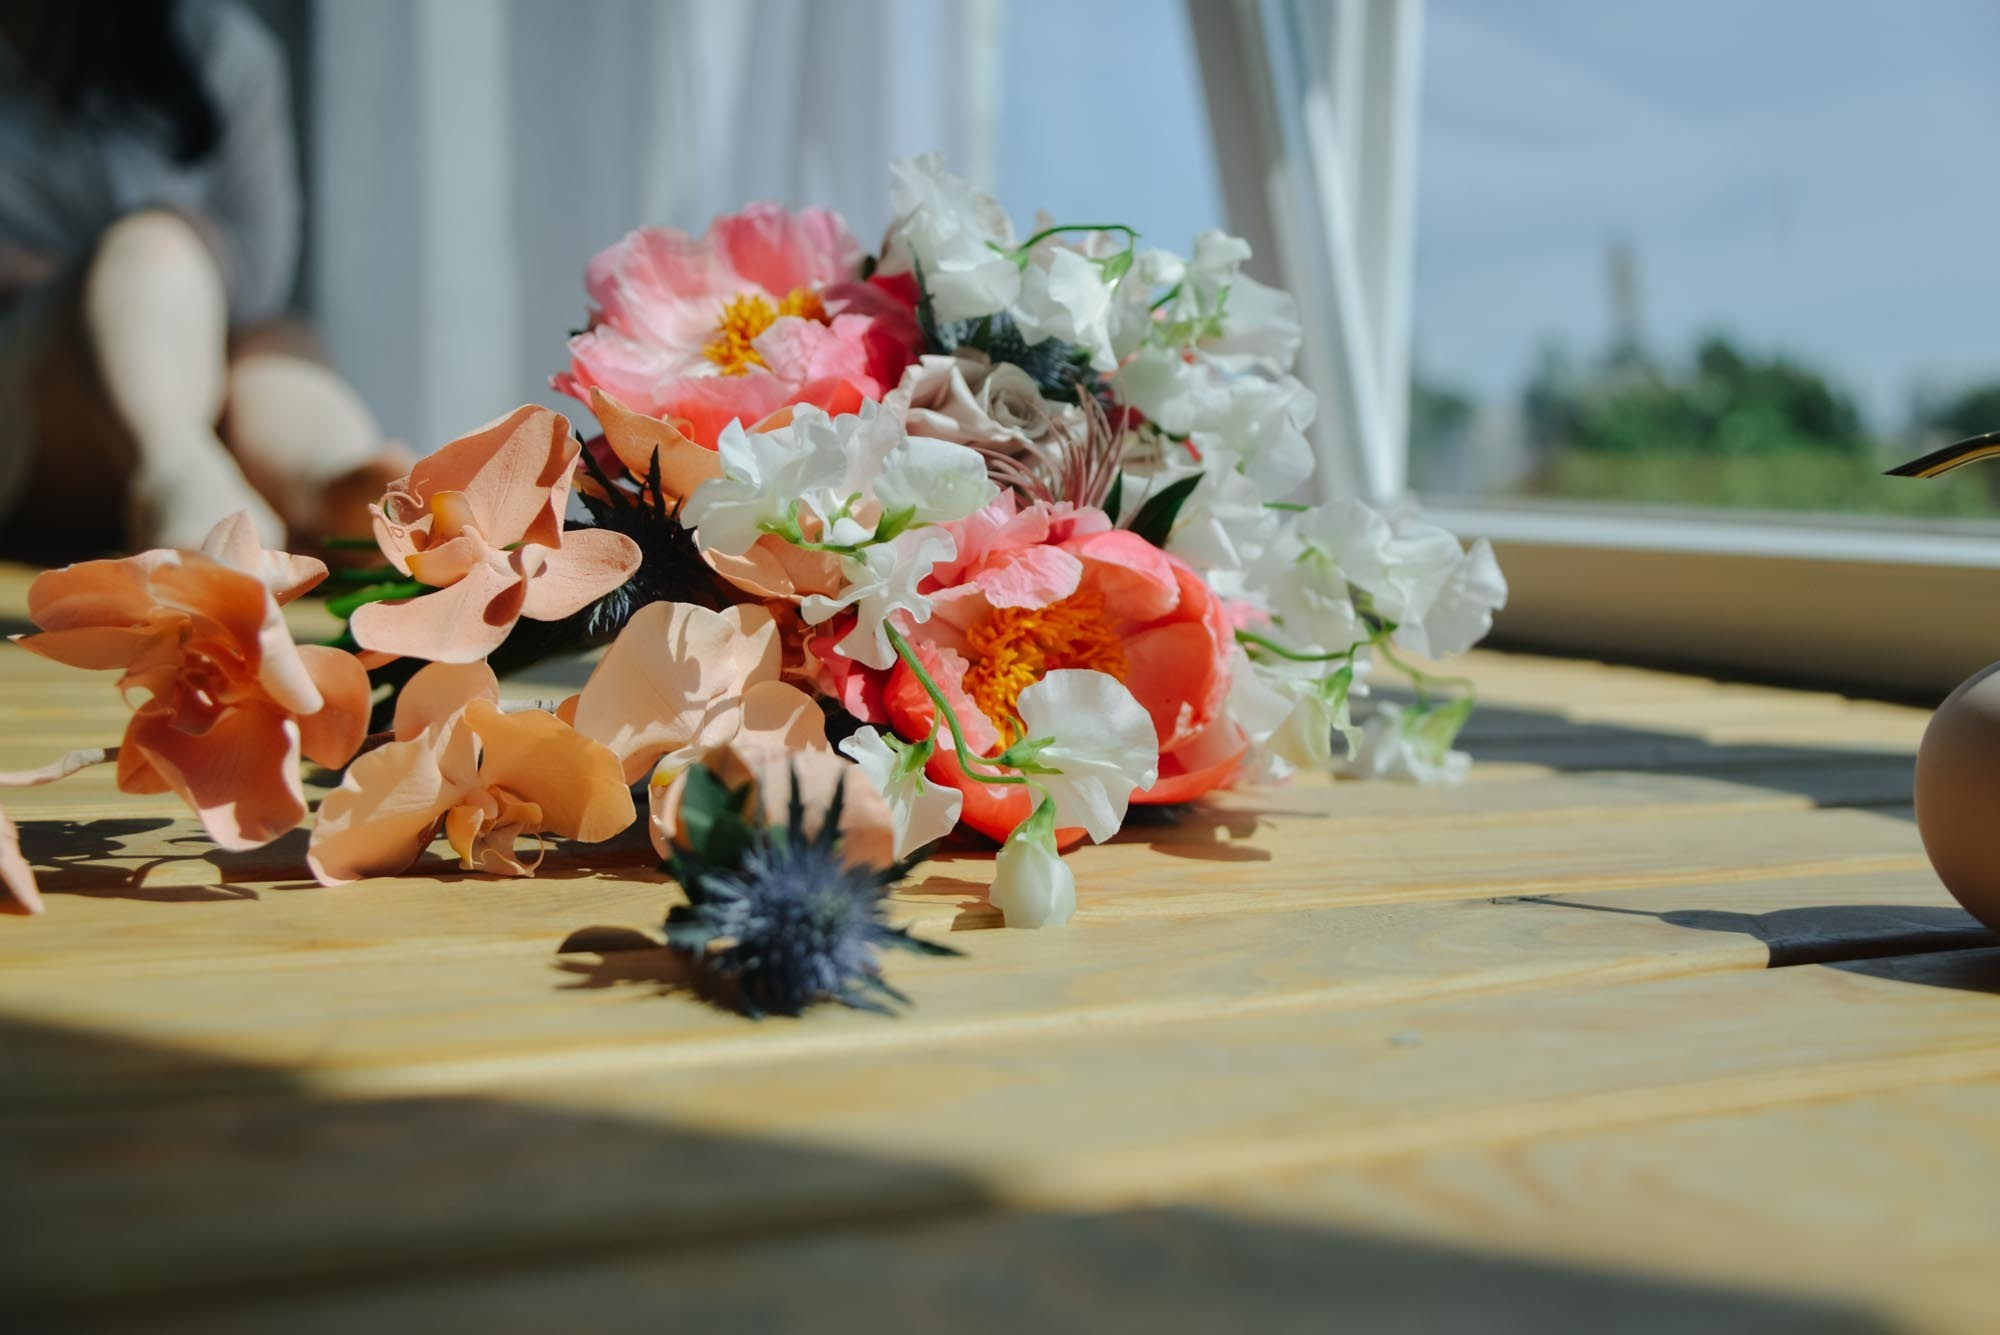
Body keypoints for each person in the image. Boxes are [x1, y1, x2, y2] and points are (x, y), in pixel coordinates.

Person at [0, 0, 404, 557]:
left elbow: (263, 267)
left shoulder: (220, 47)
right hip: (28, 389)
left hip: (193, 338)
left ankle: (333, 482)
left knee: (281, 342)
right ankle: (177, 472)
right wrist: (96, 273)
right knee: (150, 249)